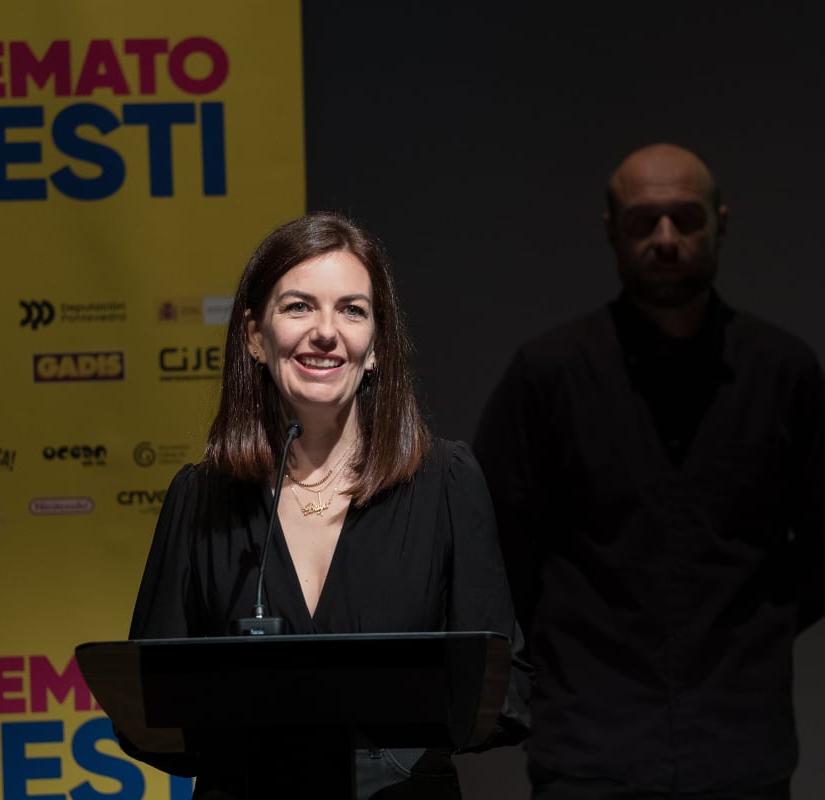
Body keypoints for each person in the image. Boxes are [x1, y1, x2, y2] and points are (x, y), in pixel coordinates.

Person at [473, 144, 825, 799]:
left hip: (740, 747)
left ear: (720, 223)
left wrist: (757, 626)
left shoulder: (782, 372)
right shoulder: (549, 375)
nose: (664, 238)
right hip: (589, 749)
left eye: (685, 219)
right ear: (611, 232)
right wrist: (563, 644)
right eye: (642, 221)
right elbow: (495, 551)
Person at [120, 212, 530, 799]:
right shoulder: (201, 496)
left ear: (377, 347)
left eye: (352, 310)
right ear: (256, 338)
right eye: (298, 307)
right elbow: (146, 706)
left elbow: (506, 691)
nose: (325, 332)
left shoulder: (446, 482)